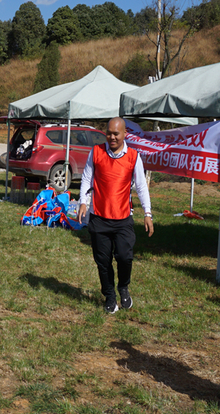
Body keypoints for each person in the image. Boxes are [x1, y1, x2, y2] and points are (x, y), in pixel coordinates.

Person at [76, 117, 153, 314]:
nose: (111, 137)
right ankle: (110, 296)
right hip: (99, 217)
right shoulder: (96, 152)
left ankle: (123, 287)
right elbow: (86, 178)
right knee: (103, 261)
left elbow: (141, 187)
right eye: (109, 133)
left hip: (123, 219)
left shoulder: (134, 157)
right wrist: (83, 202)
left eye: (116, 134)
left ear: (124, 134)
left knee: (125, 257)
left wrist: (147, 213)